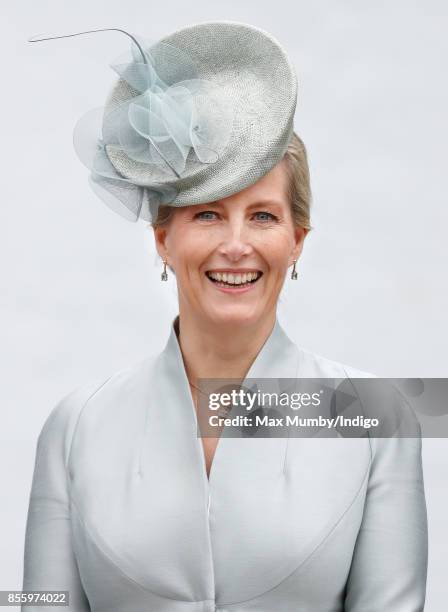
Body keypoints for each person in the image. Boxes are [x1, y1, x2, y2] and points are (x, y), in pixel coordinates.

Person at [22, 21, 428, 611]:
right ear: (163, 239)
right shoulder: (74, 428)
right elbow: (39, 603)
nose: (235, 245)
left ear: (298, 241)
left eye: (262, 216)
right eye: (207, 214)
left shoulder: (377, 419)